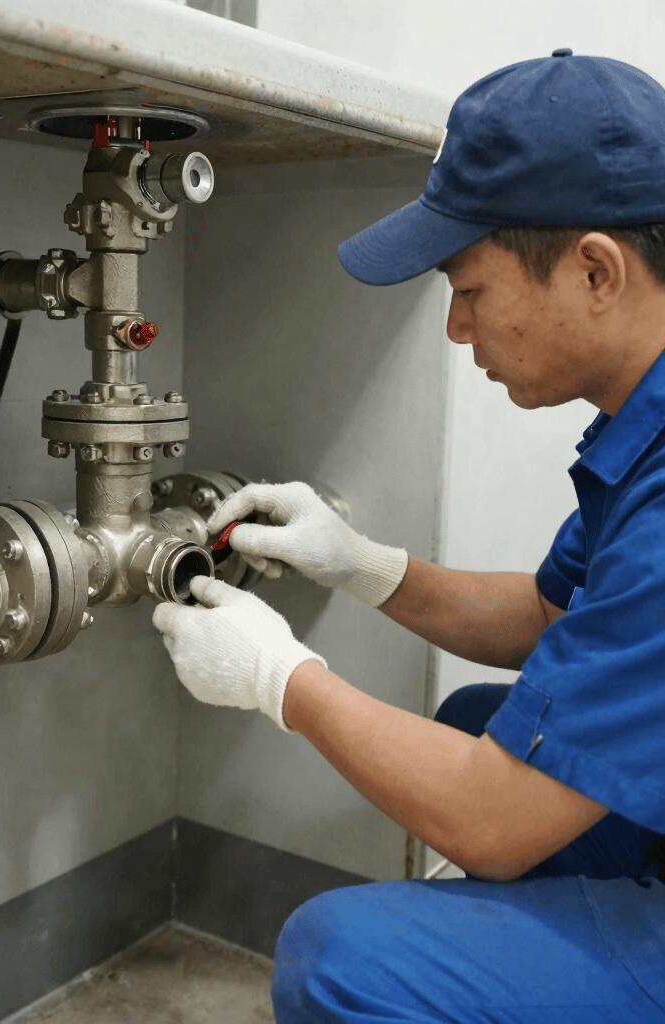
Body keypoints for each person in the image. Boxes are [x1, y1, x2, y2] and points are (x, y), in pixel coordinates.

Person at [153, 49, 665, 1022]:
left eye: (469, 292)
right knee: (480, 717)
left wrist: (279, 677)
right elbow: (545, 611)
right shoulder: (640, 424)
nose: (457, 331)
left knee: (340, 956)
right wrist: (359, 564)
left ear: (596, 269)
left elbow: (494, 822)